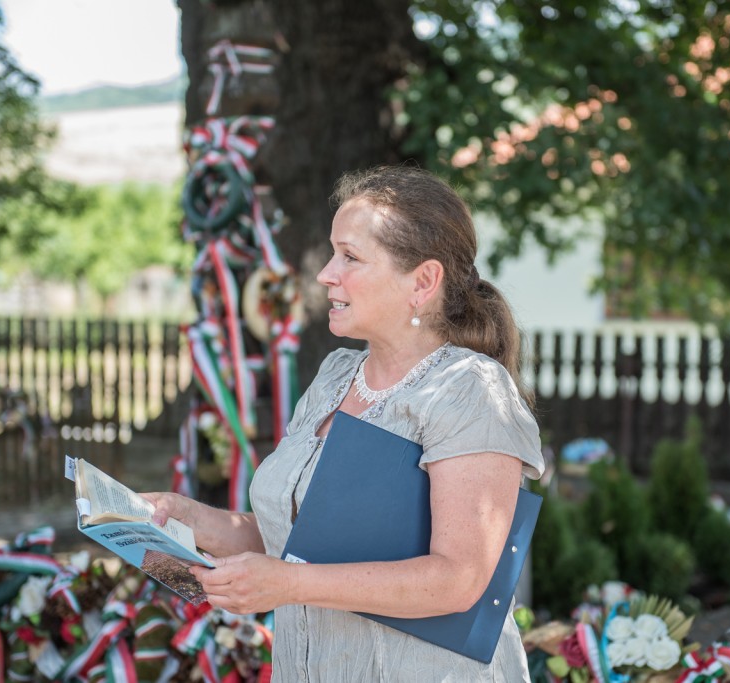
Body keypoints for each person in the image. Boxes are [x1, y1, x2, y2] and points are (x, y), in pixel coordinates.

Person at [144, 165, 545, 681]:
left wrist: (286, 584)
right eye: (334, 253)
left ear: (423, 281)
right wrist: (186, 518)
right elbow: (292, 541)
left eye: (350, 257)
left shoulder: (469, 390)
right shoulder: (335, 376)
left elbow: (459, 579)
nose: (326, 274)